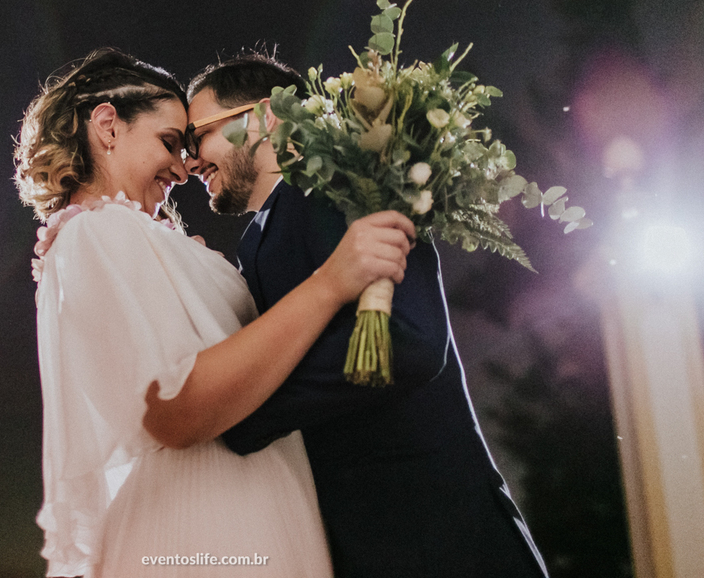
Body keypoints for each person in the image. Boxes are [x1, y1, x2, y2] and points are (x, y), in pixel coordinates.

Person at [14, 49, 416, 577]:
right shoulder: (94, 233)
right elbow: (175, 408)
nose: (183, 169)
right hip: (202, 521)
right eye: (169, 143)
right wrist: (330, 284)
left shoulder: (131, 237)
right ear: (109, 126)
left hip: (249, 506)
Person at [184, 53, 550, 578]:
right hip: (358, 542)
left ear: (267, 116)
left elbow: (411, 339)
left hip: (439, 535)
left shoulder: (341, 186)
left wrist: (250, 413)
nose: (191, 161)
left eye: (197, 136)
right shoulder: (256, 240)